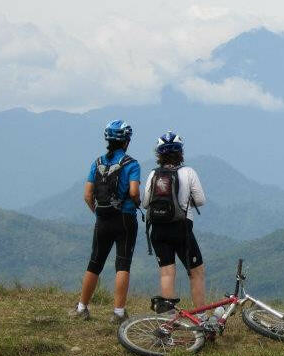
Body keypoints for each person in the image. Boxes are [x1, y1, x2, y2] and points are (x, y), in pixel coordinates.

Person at [70, 119, 140, 324]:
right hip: (125, 219)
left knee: (95, 262)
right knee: (123, 264)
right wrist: (136, 202)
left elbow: (87, 195)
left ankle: (82, 307)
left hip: (102, 218)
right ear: (126, 141)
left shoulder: (97, 163)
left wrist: (98, 213)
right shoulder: (131, 164)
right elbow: (134, 191)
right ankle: (118, 312)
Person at [141, 131, 207, 310]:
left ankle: (168, 318)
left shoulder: (153, 174)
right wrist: (183, 204)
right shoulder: (188, 172)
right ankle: (200, 316)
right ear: (180, 152)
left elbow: (146, 203)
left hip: (158, 230)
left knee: (167, 272)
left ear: (159, 154)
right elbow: (200, 200)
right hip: (181, 228)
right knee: (196, 272)